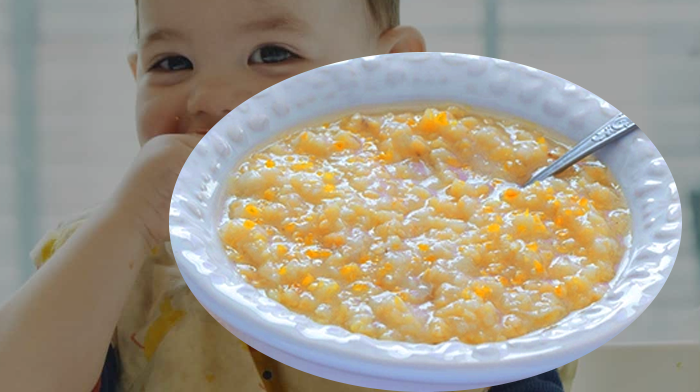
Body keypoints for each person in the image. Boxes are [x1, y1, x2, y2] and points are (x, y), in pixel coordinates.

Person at [0, 0, 577, 391]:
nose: (211, 97)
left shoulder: (462, 251)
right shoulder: (117, 259)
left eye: (272, 54)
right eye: (171, 63)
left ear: (392, 71)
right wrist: (126, 220)